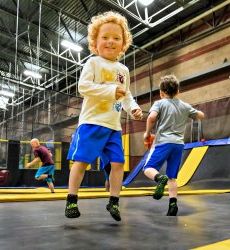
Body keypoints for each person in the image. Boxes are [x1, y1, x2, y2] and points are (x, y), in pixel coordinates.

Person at [65, 11, 143, 221]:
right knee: (81, 162)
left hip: (113, 127)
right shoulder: (93, 63)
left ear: (123, 43)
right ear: (95, 42)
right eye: (105, 37)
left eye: (116, 38)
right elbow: (83, 87)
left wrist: (133, 108)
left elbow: (126, 96)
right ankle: (72, 199)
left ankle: (114, 202)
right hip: (92, 123)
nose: (111, 42)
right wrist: (109, 91)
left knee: (118, 164)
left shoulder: (123, 70)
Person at [143, 74, 205, 216]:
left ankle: (159, 178)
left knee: (148, 168)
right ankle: (173, 205)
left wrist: (147, 133)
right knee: (172, 177)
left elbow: (151, 117)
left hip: (163, 142)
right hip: (178, 144)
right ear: (178, 91)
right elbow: (201, 115)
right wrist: (191, 112)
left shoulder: (160, 103)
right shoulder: (184, 106)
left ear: (161, 93)